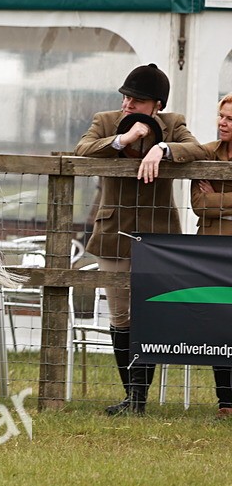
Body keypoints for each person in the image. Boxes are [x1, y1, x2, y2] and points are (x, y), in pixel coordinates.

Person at [74, 63, 206, 415]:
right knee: (120, 317)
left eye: (137, 100)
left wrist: (161, 149)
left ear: (156, 105)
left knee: (149, 314)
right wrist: (123, 140)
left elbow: (198, 150)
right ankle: (133, 395)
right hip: (112, 233)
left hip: (158, 236)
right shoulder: (105, 120)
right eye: (126, 97)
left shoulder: (173, 123)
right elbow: (82, 149)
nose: (128, 104)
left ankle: (138, 399)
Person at [189, 92, 232, 418]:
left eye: (230, 119)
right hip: (212, 250)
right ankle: (226, 402)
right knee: (220, 322)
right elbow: (199, 205)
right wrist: (215, 201)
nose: (223, 123)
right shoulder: (206, 153)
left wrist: (218, 196)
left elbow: (211, 203)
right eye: (221, 116)